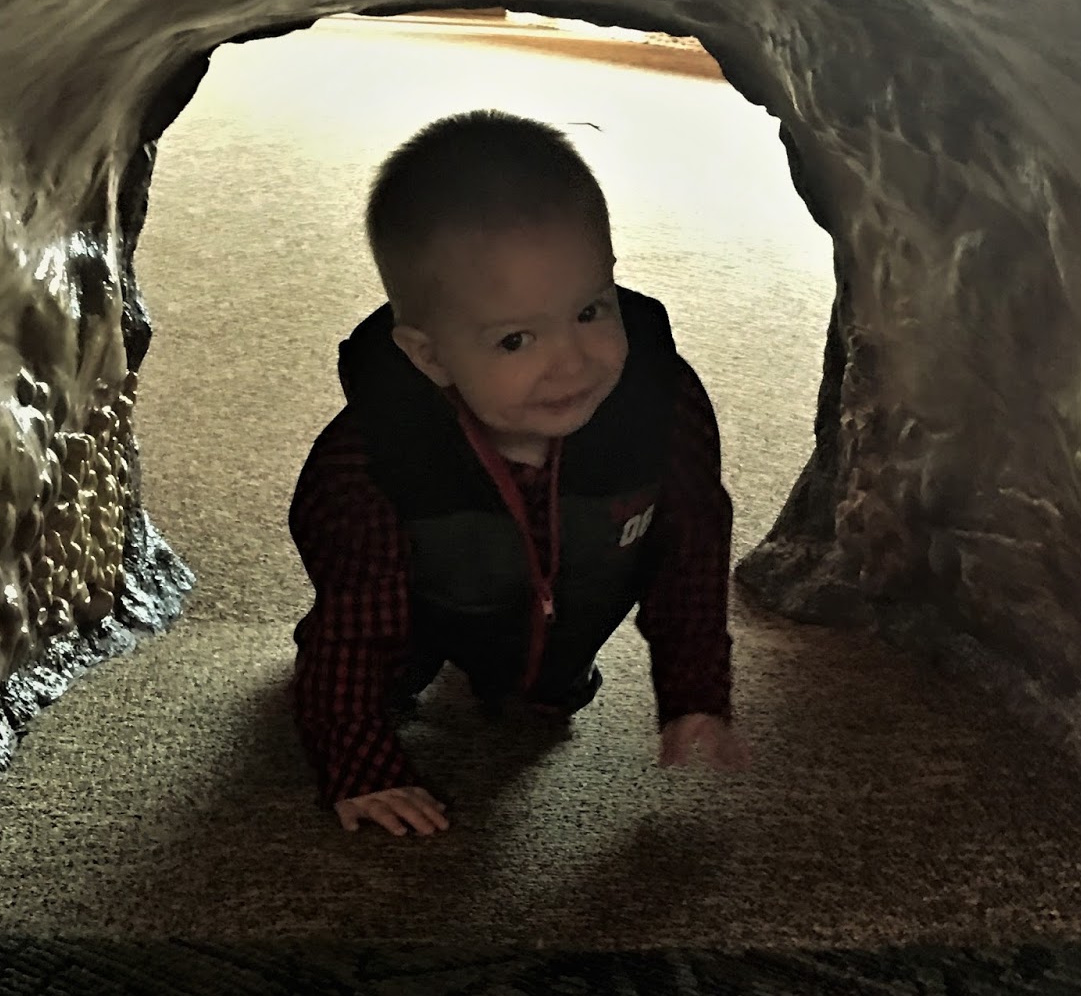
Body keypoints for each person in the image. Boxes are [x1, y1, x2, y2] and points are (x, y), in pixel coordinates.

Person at [289, 108, 749, 837]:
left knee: (550, 688)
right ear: (430, 356)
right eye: (515, 340)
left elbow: (690, 550)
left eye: (591, 310)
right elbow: (350, 628)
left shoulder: (663, 406)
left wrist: (695, 691)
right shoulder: (368, 468)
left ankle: (546, 667)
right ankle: (422, 672)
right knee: (382, 661)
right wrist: (359, 761)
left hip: (580, 585)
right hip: (423, 596)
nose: (572, 362)